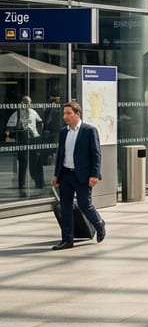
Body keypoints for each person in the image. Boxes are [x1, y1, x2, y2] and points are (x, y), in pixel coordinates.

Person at [50, 101, 106, 250]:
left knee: (84, 205)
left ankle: (99, 224)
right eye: (64, 113)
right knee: (65, 208)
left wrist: (94, 175)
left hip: (82, 176)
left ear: (77, 114)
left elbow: (96, 155)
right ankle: (67, 240)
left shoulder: (89, 131)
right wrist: (56, 174)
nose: (65, 116)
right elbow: (60, 155)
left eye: (68, 113)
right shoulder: (63, 132)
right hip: (66, 175)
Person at [6, 95, 44, 197]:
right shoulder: (17, 113)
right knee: (23, 163)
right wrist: (9, 135)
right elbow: (9, 126)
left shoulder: (33, 111)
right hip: (23, 140)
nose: (29, 105)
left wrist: (39, 131)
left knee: (35, 162)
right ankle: (22, 185)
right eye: (27, 102)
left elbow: (40, 121)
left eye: (30, 103)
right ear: (22, 103)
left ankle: (38, 183)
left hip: (33, 139)